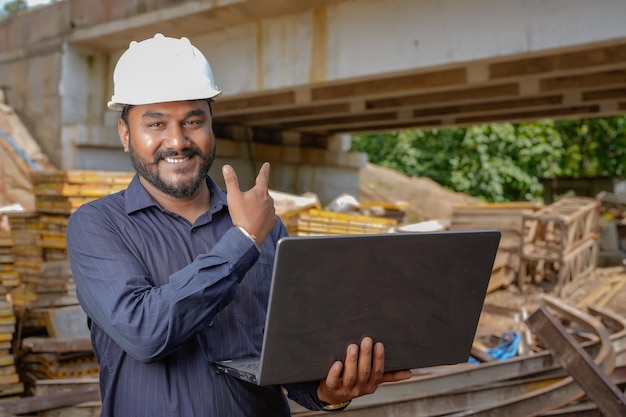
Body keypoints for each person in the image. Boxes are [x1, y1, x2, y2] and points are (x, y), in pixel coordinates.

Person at [66, 33, 411, 417]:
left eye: (193, 120)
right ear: (126, 135)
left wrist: (329, 390)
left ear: (211, 125)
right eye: (156, 124)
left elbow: (287, 350)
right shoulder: (98, 226)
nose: (177, 141)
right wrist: (243, 241)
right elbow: (144, 332)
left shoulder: (266, 225)